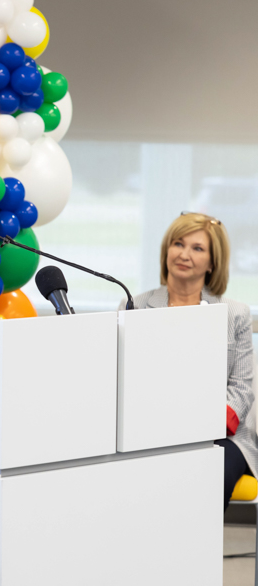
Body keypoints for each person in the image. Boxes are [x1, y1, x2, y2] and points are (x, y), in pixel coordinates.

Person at [123, 212, 256, 510]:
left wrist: (199, 425)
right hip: (151, 430)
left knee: (207, 472)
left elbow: (242, 389)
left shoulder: (235, 313)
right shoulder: (135, 306)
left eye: (197, 248)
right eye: (178, 244)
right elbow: (125, 377)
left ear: (212, 262)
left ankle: (197, 556)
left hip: (222, 437)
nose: (184, 254)